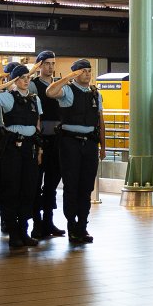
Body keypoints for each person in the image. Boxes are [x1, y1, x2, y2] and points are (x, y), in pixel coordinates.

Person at [46, 59, 106, 244]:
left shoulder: (96, 93)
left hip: (89, 144)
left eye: (89, 71)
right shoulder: (68, 91)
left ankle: (83, 225)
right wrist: (70, 77)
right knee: (71, 186)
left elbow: (100, 121)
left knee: (86, 186)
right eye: (83, 71)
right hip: (69, 143)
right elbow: (50, 92)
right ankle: (71, 225)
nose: (87, 74)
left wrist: (103, 146)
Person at [0, 63, 43, 248]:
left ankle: (24, 231)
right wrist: (7, 83)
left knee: (28, 190)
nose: (26, 81)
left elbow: (37, 124)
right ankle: (13, 231)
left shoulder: (35, 99)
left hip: (30, 148)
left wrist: (40, 149)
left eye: (28, 78)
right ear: (15, 80)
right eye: (22, 78)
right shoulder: (8, 97)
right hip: (12, 149)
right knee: (11, 189)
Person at [32, 50, 65, 238]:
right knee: (36, 183)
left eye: (53, 63)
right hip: (40, 138)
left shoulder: (57, 85)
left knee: (52, 183)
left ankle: (48, 221)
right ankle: (37, 222)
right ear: (39, 66)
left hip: (57, 139)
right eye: (47, 63)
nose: (51, 67)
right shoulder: (34, 86)